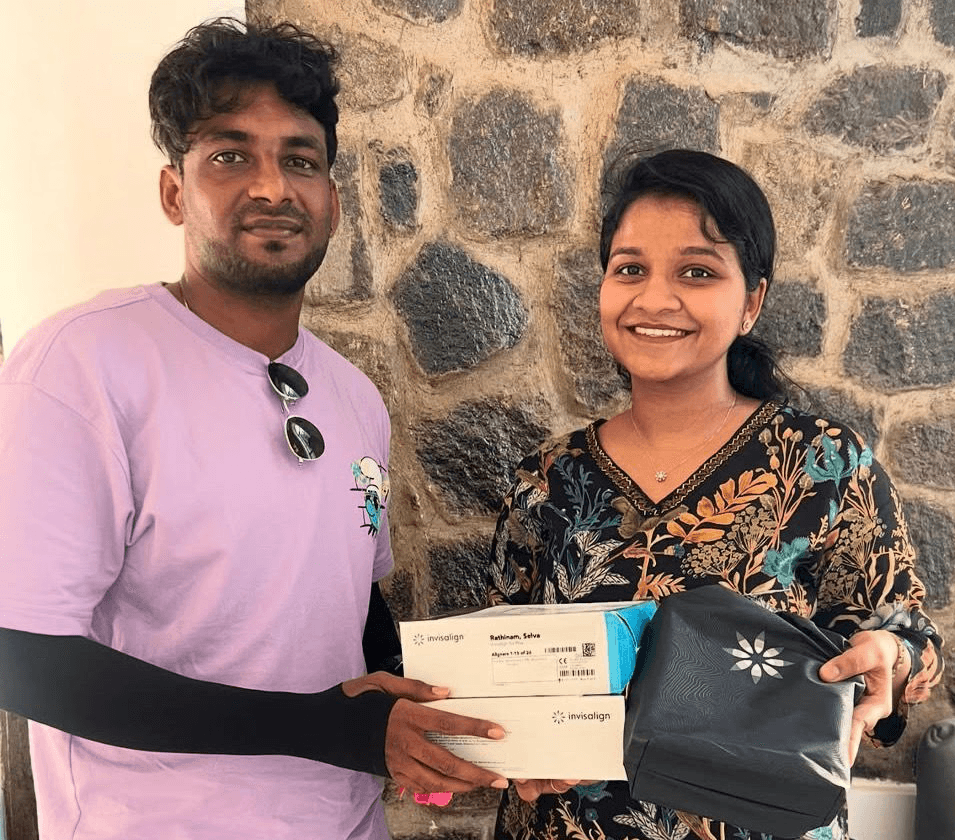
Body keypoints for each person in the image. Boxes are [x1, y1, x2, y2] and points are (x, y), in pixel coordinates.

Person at [0, 17, 507, 839]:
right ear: (175, 192)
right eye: (230, 155)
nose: (271, 187)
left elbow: (353, 610)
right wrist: (327, 729)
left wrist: (461, 722)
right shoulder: (81, 366)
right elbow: (22, 659)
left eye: (299, 160)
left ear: (333, 202)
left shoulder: (351, 397)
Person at [486, 149, 944, 840]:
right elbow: (499, 662)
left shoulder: (821, 464)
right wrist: (503, 745)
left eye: (696, 272)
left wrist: (893, 655)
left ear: (751, 301)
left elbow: (908, 636)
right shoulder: (546, 480)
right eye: (629, 268)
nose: (654, 298)